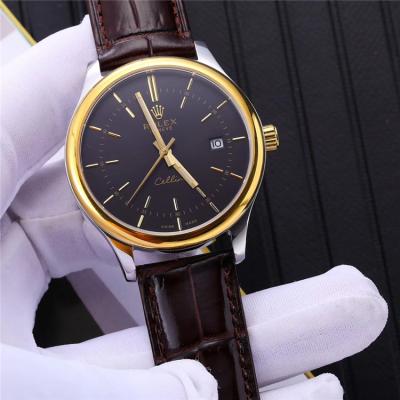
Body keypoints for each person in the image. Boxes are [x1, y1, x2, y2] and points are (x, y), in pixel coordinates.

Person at [0, 17, 388, 400]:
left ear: (262, 138)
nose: (166, 154)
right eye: (163, 152)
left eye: (166, 151)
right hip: (149, 228)